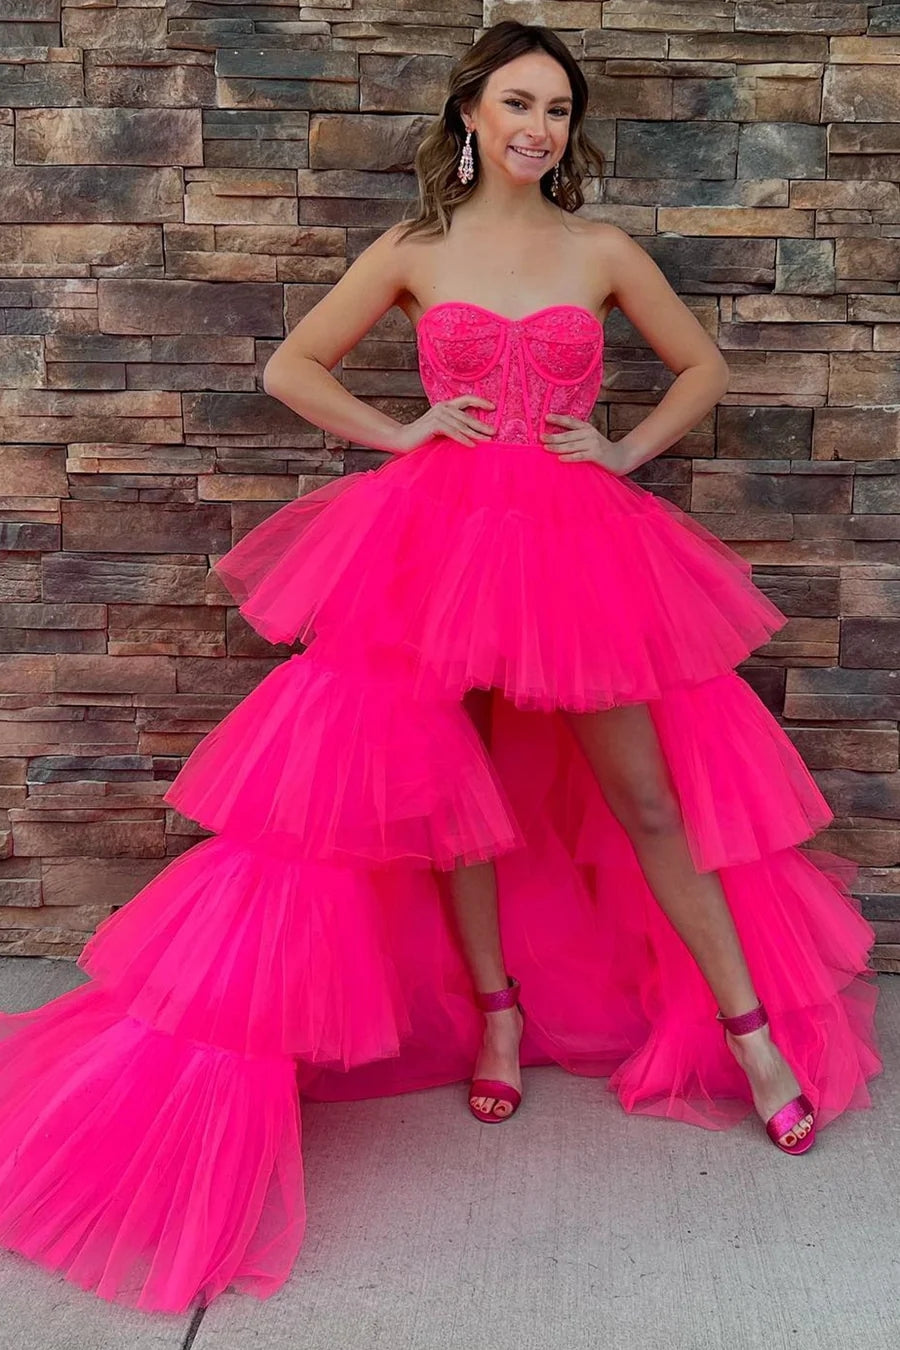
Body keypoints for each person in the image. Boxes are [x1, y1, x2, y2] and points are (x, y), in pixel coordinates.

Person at [0, 18, 882, 1317]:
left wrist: (622, 451)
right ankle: (497, 1015)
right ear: (470, 112)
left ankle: (752, 1039)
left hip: (578, 553)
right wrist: (402, 430)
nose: (540, 128)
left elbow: (702, 365)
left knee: (651, 800)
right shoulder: (416, 249)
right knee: (450, 795)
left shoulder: (599, 248)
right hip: (435, 549)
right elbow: (292, 364)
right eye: (519, 103)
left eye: (558, 110)